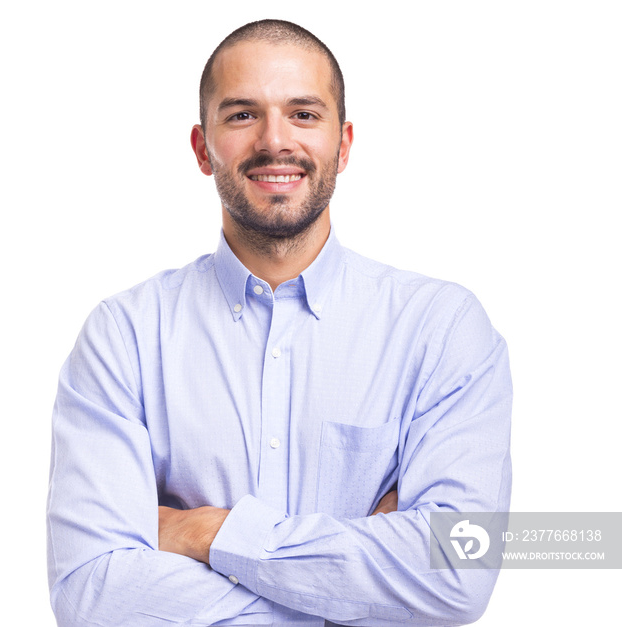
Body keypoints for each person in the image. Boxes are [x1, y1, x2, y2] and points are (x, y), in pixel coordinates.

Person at [47, 19, 512, 627]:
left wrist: (207, 534)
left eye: (304, 114)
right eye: (242, 115)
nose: (274, 141)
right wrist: (355, 582)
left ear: (343, 145)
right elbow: (90, 594)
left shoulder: (442, 330)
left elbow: (458, 572)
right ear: (201, 146)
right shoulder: (124, 337)